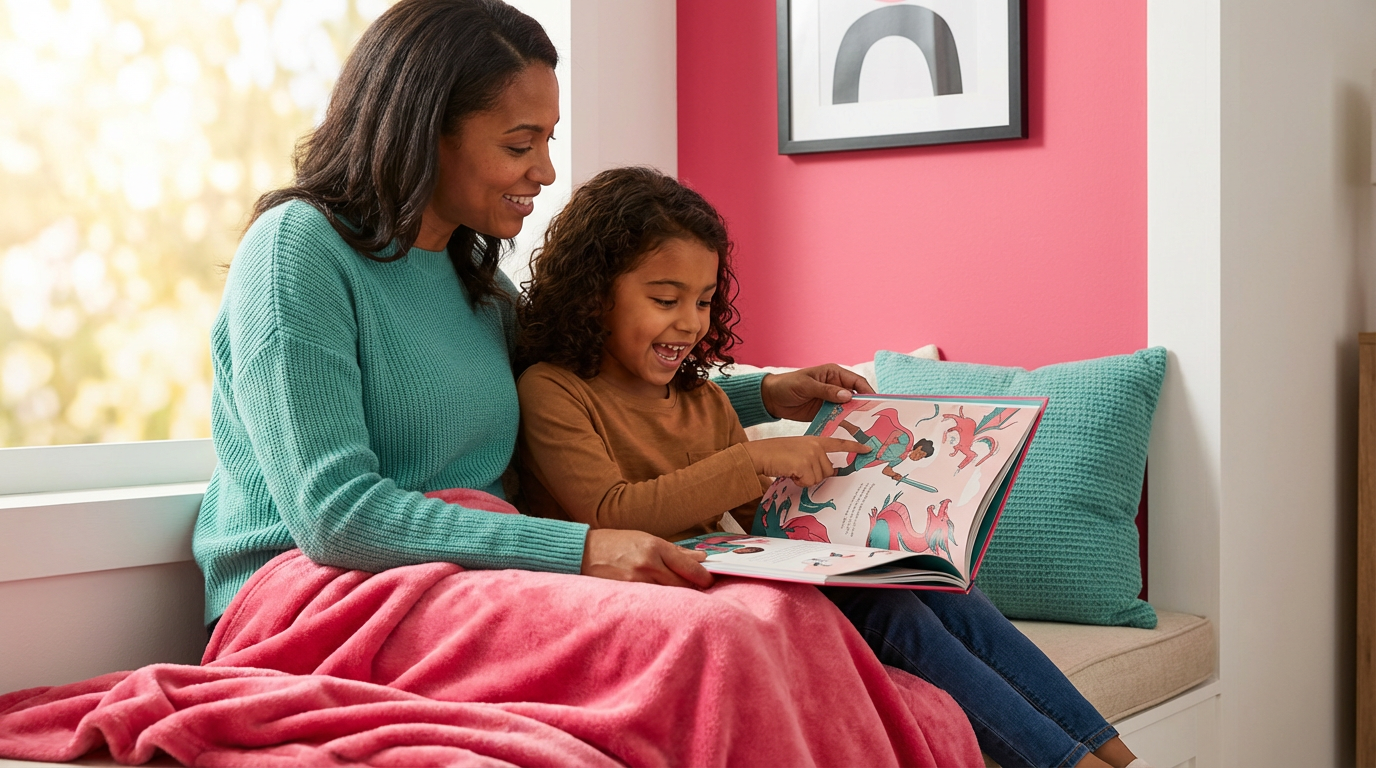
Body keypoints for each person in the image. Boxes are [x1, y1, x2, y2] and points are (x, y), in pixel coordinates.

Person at [191, 0, 871, 633]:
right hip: (315, 593)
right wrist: (583, 549)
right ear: (425, 133)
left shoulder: (480, 287)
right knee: (711, 635)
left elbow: (600, 390)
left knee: (774, 615)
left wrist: (764, 393)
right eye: (520, 146)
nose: (545, 172)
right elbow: (335, 517)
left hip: (471, 578)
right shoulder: (296, 252)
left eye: (548, 141)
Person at [514, 166, 1148, 768]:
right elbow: (608, 511)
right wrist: (752, 459)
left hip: (722, 574)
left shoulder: (700, 397)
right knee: (889, 614)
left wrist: (855, 499)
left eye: (704, 301)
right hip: (636, 589)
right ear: (595, 294)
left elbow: (758, 517)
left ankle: (1107, 749)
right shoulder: (554, 390)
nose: (689, 321)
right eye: (664, 298)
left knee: (928, 582)